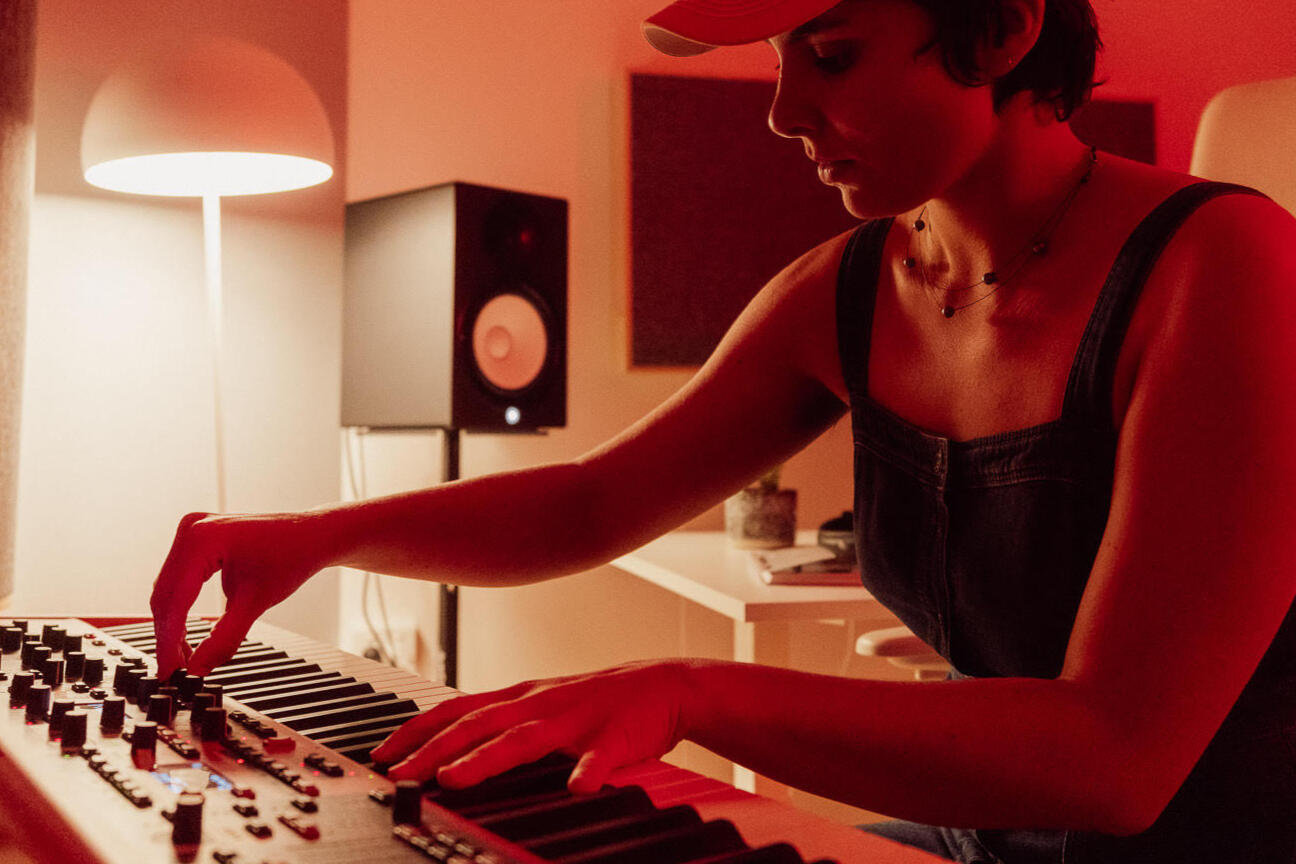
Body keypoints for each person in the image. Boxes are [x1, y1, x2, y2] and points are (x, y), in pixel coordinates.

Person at [149, 1, 1296, 861]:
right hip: (981, 842)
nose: (784, 111)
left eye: (832, 54)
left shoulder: (1227, 265)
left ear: (997, 31)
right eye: (778, 60)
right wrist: (318, 534)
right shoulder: (848, 288)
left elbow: (1117, 759)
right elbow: (594, 500)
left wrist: (690, 690)